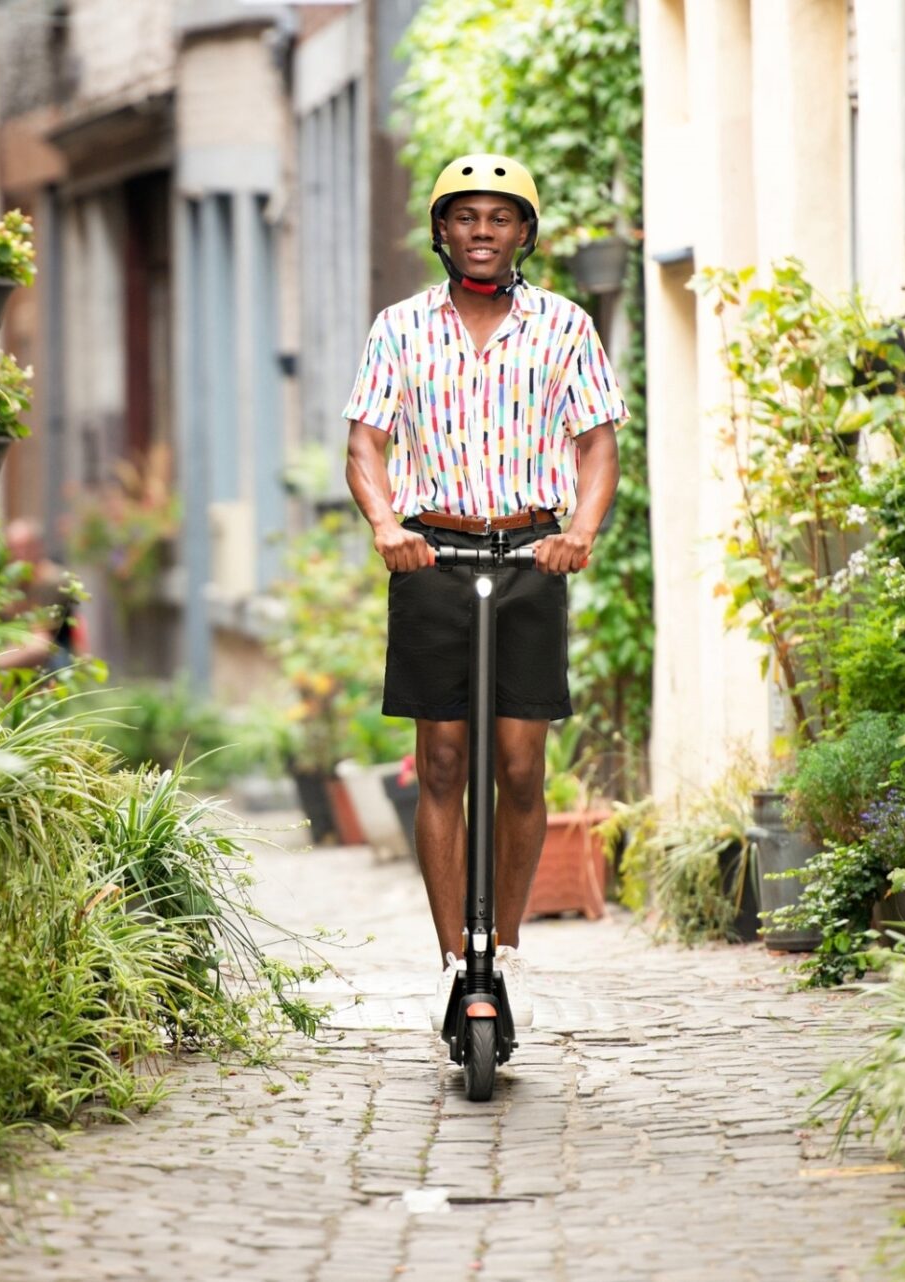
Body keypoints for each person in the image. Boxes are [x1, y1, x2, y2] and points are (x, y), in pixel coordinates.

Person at [341, 153, 626, 1030]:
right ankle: (448, 961)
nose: (482, 232)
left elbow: (598, 446)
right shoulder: (399, 328)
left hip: (530, 559)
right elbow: (365, 445)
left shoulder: (565, 327)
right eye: (465, 217)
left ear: (525, 234)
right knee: (442, 762)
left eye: (500, 218)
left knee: (518, 764)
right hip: (434, 559)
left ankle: (499, 951)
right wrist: (389, 527)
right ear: (441, 230)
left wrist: (578, 532)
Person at [0, 517, 85, 673]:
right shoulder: (7, 581)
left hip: (54, 658)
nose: (18, 554)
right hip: (14, 649)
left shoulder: (54, 581)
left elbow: (40, 637)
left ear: (38, 547)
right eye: (13, 548)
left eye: (24, 547)